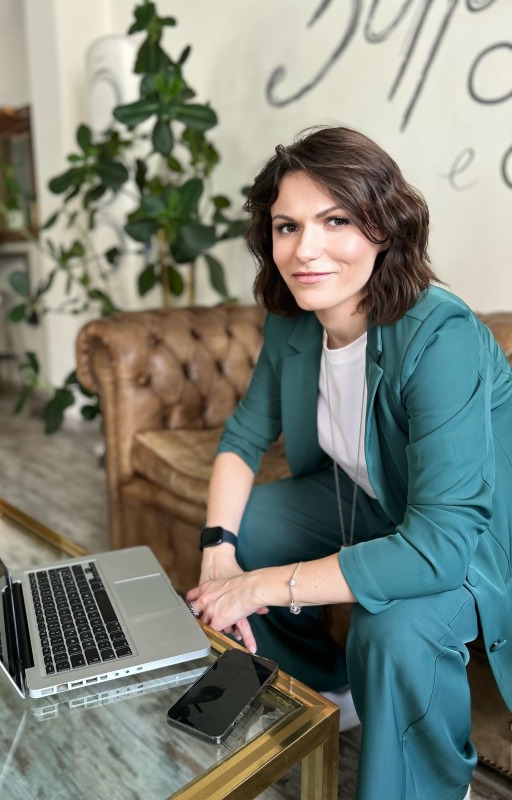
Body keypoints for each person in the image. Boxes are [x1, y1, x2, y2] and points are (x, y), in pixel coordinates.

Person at [186, 126, 512, 800]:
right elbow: (243, 438)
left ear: (384, 228)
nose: (305, 249)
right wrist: (220, 552)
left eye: (335, 221)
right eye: (287, 226)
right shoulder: (293, 319)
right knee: (250, 523)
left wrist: (260, 587)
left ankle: (435, 786)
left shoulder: (442, 335)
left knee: (391, 629)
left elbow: (440, 545)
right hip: (374, 503)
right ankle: (326, 689)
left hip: (473, 540)